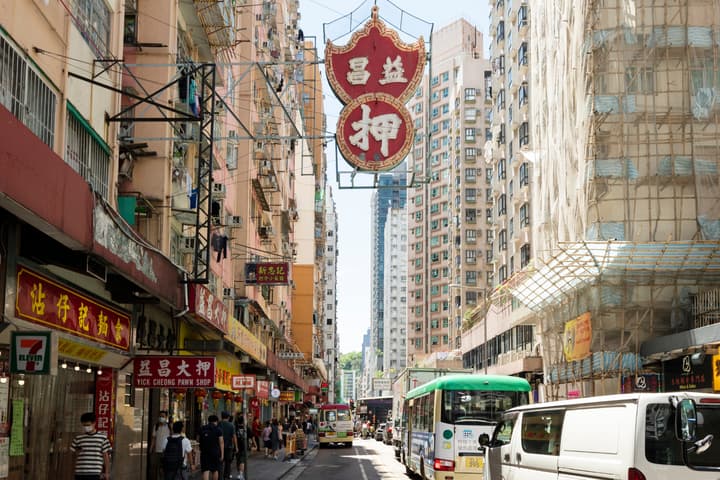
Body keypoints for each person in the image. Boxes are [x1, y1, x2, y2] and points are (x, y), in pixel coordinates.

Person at [71, 412, 111, 480]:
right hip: (79, 473)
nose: (86, 427)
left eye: (88, 425)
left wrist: (107, 472)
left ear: (94, 423)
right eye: (84, 425)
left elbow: (106, 457)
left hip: (95, 473)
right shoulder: (78, 438)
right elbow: (72, 455)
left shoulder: (102, 438)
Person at [199, 414, 224, 480]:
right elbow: (221, 442)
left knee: (205, 470)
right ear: (216, 421)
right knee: (215, 470)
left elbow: (198, 439)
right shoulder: (218, 429)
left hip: (204, 452)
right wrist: (222, 454)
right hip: (215, 452)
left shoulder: (202, 428)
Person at [149, 411, 172, 480]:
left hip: (167, 451)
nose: (161, 418)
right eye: (160, 416)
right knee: (158, 468)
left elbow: (172, 437)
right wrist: (151, 449)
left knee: (166, 469)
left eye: (163, 416)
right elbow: (153, 439)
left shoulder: (169, 426)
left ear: (166, 417)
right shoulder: (156, 426)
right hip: (158, 451)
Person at [219, 412, 238, 479]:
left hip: (219, 447)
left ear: (221, 416)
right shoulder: (231, 425)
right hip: (229, 446)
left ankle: (220, 477)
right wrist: (236, 447)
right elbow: (234, 437)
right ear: (228, 417)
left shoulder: (218, 424)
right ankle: (226, 476)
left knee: (220, 462)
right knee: (228, 463)